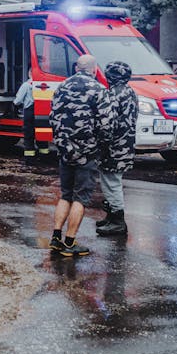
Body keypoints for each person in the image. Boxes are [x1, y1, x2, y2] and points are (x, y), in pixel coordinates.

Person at [49, 54, 114, 257]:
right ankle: (70, 242)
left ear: (77, 67)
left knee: (65, 194)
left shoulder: (61, 87)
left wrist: (61, 142)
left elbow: (53, 116)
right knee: (81, 197)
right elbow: (107, 124)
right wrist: (101, 146)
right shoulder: (98, 89)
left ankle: (56, 237)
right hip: (87, 151)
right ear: (94, 69)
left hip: (64, 149)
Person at [95, 61, 138, 237]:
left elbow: (108, 123)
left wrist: (101, 146)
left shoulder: (112, 94)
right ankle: (112, 216)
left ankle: (118, 221)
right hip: (126, 143)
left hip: (113, 145)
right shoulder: (131, 92)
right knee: (113, 181)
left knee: (111, 182)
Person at [13, 68, 48, 163]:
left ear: (29, 74)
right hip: (40, 111)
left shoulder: (26, 85)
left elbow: (18, 101)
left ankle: (30, 158)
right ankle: (44, 155)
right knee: (41, 133)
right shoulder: (43, 85)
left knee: (29, 134)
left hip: (29, 111)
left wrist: (14, 103)